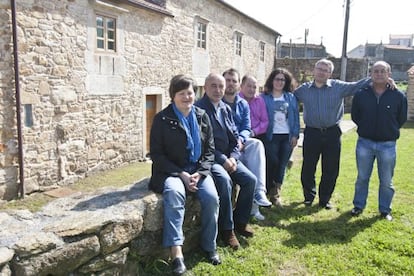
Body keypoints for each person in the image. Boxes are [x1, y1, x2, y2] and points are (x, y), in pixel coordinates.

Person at [149, 75, 221, 275]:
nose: (187, 97)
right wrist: (181, 174)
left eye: (190, 92)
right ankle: (177, 253)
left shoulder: (201, 116)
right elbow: (156, 154)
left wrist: (199, 173)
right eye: (182, 94)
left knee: (212, 198)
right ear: (173, 96)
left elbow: (209, 151)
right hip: (171, 171)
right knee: (174, 194)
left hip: (197, 171)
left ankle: (209, 245)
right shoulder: (162, 119)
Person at [294, 58, 379, 210]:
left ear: (330, 73)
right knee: (308, 167)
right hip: (312, 132)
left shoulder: (338, 87)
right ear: (314, 70)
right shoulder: (303, 90)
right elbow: (287, 97)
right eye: (319, 69)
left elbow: (357, 85)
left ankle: (325, 199)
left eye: (325, 70)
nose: (321, 72)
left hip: (332, 132)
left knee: (331, 168)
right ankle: (308, 197)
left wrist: (382, 79)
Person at [196, 73, 256, 250]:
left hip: (228, 158)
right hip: (210, 159)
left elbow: (235, 137)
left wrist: (233, 157)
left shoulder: (225, 108)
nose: (218, 90)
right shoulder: (199, 109)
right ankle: (227, 230)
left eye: (221, 86)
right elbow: (202, 143)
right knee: (225, 181)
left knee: (250, 180)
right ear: (205, 88)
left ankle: (240, 222)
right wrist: (222, 160)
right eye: (213, 86)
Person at [350, 61, 407, 221]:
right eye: (376, 71)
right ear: (371, 74)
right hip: (365, 143)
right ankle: (358, 206)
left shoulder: (398, 95)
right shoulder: (362, 94)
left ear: (389, 74)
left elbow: (401, 118)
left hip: (387, 144)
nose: (379, 74)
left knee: (386, 180)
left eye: (383, 71)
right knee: (362, 177)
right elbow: (356, 116)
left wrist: (388, 130)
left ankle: (384, 209)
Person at [222, 69, 272, 221]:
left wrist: (242, 139)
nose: (230, 84)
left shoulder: (242, 104)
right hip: (223, 147)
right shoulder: (217, 102)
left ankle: (259, 193)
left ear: (238, 85)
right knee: (249, 167)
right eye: (228, 80)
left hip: (240, 143)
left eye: (234, 81)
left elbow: (246, 126)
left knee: (256, 145)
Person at [261, 68, 300, 207]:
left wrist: (295, 135)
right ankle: (266, 188)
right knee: (272, 161)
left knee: (282, 164)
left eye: (282, 80)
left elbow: (295, 117)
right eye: (277, 79)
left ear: (286, 82)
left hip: (287, 136)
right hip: (271, 136)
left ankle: (276, 193)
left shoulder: (290, 97)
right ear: (272, 80)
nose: (279, 82)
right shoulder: (264, 97)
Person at [238, 74, 270, 220]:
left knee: (255, 166)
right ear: (242, 86)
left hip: (254, 138)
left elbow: (265, 122)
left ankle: (255, 206)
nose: (252, 89)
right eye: (249, 86)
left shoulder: (259, 101)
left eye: (254, 87)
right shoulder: (236, 100)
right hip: (237, 141)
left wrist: (253, 132)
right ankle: (256, 197)